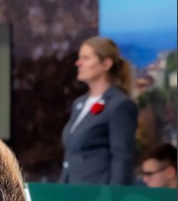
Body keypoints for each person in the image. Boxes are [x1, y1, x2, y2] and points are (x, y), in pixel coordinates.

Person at [59, 36, 138, 185]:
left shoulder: (120, 105)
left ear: (106, 64)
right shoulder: (79, 103)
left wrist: (115, 199)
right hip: (71, 189)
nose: (78, 63)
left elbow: (122, 158)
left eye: (86, 58)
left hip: (97, 194)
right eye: (79, 58)